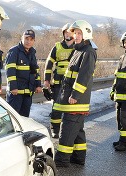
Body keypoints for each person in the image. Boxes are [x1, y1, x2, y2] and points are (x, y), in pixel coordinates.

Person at [52, 20, 97, 167]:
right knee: (77, 131)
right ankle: (78, 158)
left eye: (79, 33)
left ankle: (61, 160)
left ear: (86, 35)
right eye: (75, 33)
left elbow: (84, 75)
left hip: (76, 101)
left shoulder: (88, 52)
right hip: (73, 99)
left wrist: (75, 95)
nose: (76, 36)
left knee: (67, 130)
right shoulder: (79, 50)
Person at [43, 23, 75, 138]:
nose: (67, 34)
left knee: (70, 108)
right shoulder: (57, 47)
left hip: (72, 83)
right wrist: (47, 80)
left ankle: (67, 130)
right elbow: (49, 64)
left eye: (70, 32)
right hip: (58, 82)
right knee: (57, 107)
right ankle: (55, 129)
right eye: (65, 32)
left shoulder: (78, 47)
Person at [4, 29, 42, 117]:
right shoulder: (14, 51)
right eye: (26, 39)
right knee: (13, 118)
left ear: (34, 41)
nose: (28, 42)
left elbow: (35, 71)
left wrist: (38, 85)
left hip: (28, 93)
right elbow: (10, 70)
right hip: (16, 93)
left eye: (31, 39)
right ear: (22, 38)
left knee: (24, 119)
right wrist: (13, 87)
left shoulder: (32, 53)